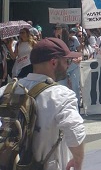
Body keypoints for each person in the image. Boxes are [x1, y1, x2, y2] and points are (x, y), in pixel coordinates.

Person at [1, 37, 84, 170]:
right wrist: (78, 160)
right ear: (53, 62)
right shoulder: (60, 94)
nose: (68, 65)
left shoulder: (6, 90)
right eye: (66, 61)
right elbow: (75, 132)